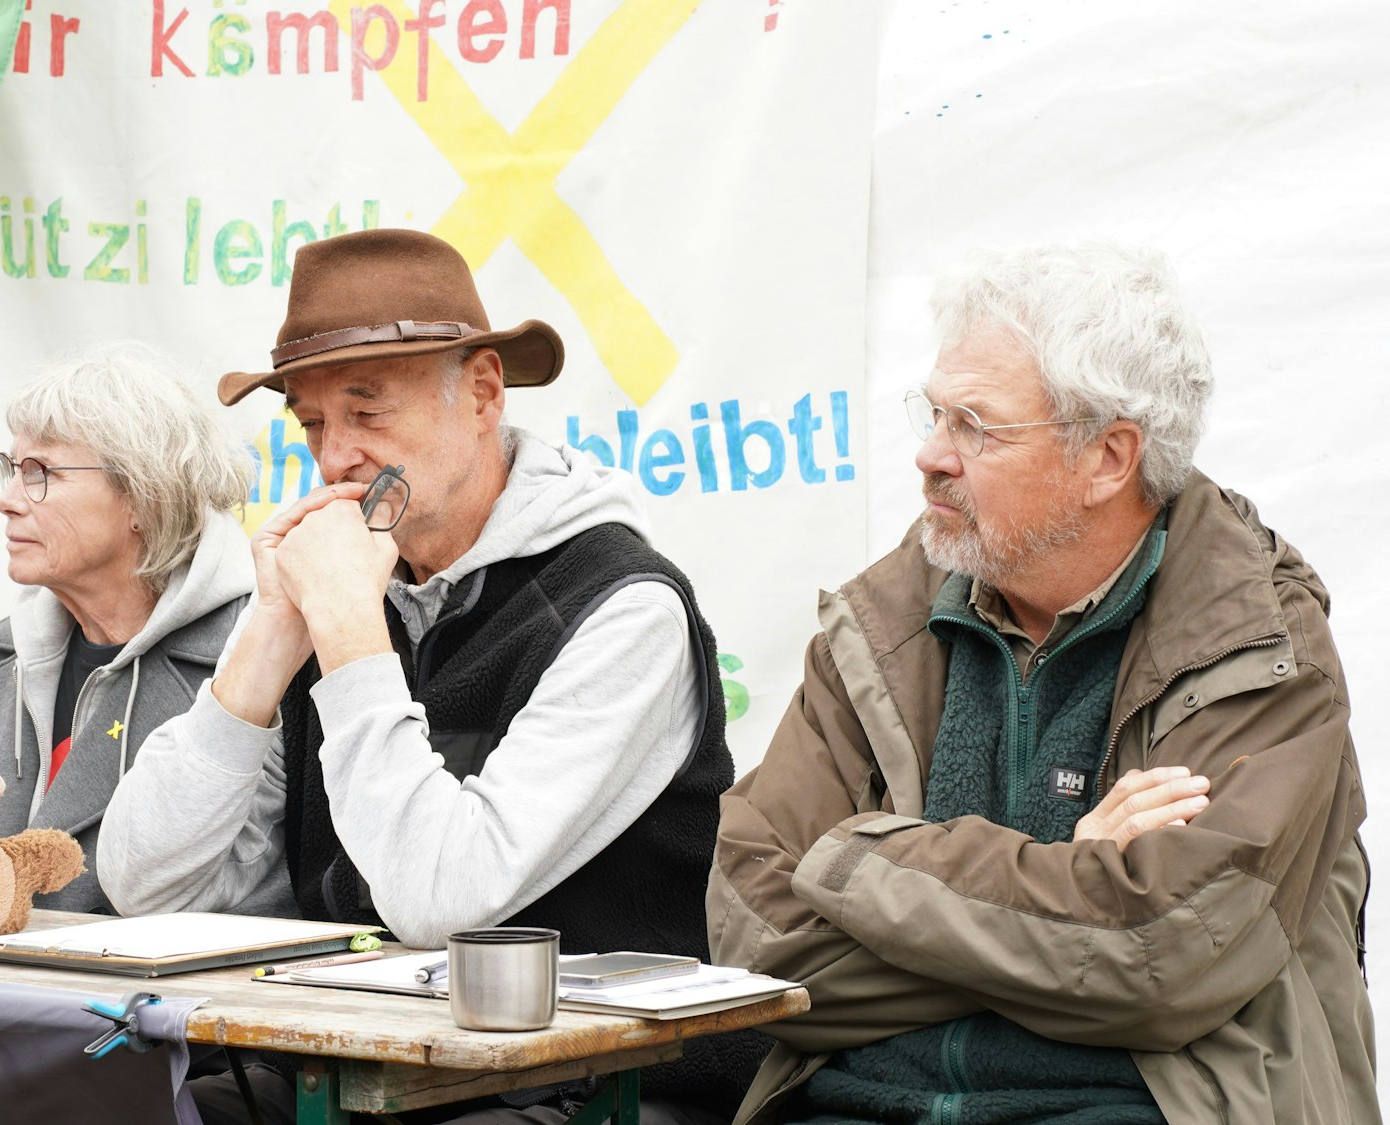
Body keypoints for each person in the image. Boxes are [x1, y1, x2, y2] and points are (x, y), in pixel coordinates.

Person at [98, 229, 756, 1122]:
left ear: (484, 392)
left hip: (584, 1083)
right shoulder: (345, 595)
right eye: (314, 424)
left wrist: (349, 634)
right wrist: (270, 634)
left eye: (368, 414)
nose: (333, 460)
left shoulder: (623, 607)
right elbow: (147, 886)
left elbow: (442, 901)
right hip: (350, 1065)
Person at [707, 244, 1373, 1123]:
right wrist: (1066, 880)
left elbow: (1163, 957)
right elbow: (757, 942)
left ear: (1108, 458)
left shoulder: (1257, 644)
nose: (929, 456)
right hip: (856, 1104)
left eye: (975, 426)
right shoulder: (880, 625)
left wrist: (868, 856)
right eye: (934, 413)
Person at [0, 342, 258, 914]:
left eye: (40, 473)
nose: (7, 500)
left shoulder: (257, 660)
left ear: (143, 496)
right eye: (11, 469)